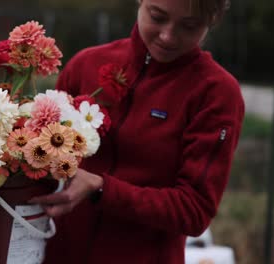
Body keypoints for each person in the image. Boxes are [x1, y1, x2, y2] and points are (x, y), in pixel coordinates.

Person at [28, 0, 245, 263]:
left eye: (189, 26)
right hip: (56, 254)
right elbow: (38, 157)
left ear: (211, 22)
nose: (167, 36)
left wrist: (101, 188)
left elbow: (194, 210)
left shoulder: (216, 93)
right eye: (157, 17)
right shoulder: (87, 64)